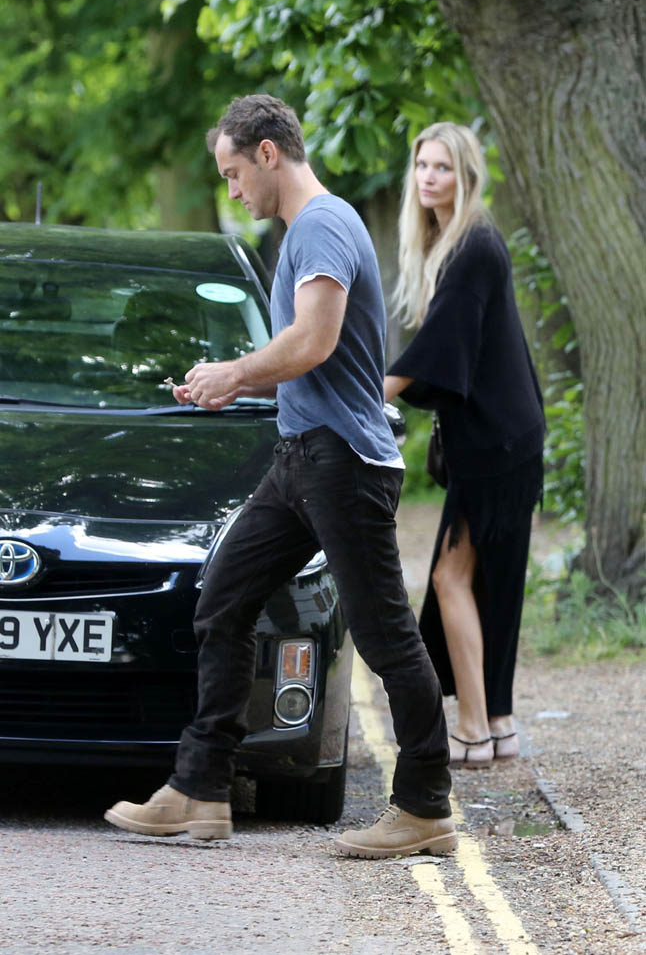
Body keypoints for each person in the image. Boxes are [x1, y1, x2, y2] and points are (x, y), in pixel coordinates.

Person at [104, 94, 457, 858]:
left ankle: (425, 805)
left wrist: (235, 372)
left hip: (344, 462)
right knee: (223, 598)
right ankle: (200, 788)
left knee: (384, 635)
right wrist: (229, 382)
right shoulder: (306, 230)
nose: (232, 191)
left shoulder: (322, 223)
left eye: (233, 173)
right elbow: (306, 359)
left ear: (268, 154)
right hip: (301, 457)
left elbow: (313, 341)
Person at [385, 122, 544, 768]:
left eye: (443, 167)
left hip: (497, 444)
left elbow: (442, 342)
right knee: (486, 582)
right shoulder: (459, 242)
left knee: (451, 576)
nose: (429, 177)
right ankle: (498, 724)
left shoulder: (474, 243)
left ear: (467, 176)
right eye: (423, 165)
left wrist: (373, 394)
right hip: (503, 438)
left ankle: (474, 729)